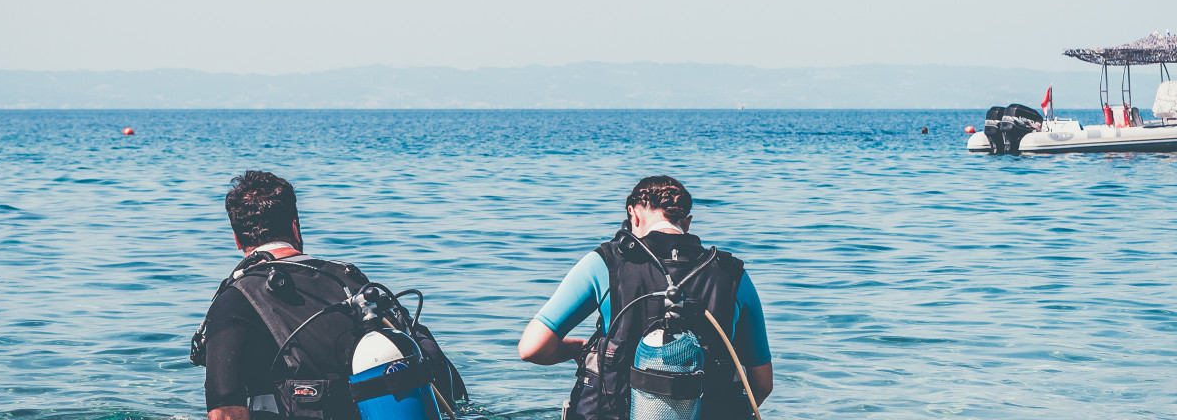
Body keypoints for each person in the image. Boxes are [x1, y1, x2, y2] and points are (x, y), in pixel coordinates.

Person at [190, 170, 465, 420]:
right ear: (295, 228)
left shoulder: (234, 300)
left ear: (237, 240)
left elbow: (224, 411)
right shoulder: (352, 280)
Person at [518, 176, 772, 420]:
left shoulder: (604, 263)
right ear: (687, 222)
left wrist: (578, 349)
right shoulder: (732, 274)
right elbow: (762, 384)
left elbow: (532, 348)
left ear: (633, 214)